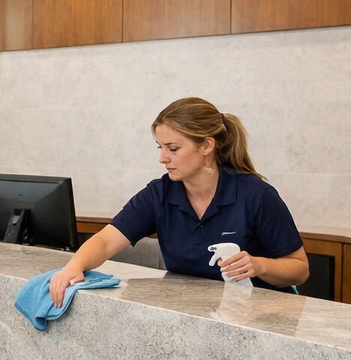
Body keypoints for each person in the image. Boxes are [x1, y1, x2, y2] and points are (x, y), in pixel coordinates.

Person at [50, 97, 308, 304]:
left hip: (261, 317)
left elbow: (299, 269)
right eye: (159, 147)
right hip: (196, 314)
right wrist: (75, 266)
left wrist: (259, 265)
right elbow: (106, 241)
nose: (162, 158)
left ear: (207, 146)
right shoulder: (159, 194)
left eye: (173, 149)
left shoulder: (257, 196)